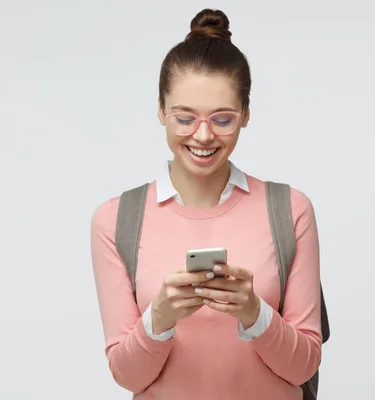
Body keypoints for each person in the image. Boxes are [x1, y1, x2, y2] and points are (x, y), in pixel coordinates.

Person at [90, 8, 322, 400]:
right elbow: (127, 377)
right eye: (184, 118)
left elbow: (304, 366)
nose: (202, 136)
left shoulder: (289, 210)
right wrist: (159, 317)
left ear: (246, 115)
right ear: (161, 110)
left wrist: (254, 311)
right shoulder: (116, 220)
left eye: (223, 119)